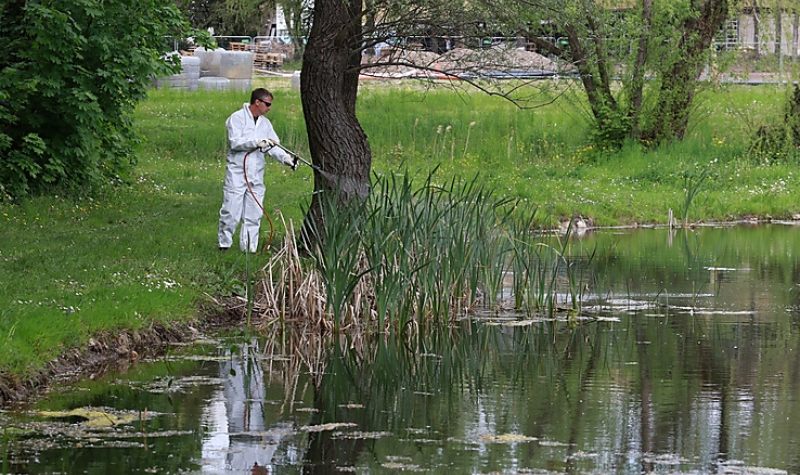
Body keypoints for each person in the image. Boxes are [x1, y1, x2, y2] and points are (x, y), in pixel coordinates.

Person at [218, 88, 297, 252]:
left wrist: (286, 159)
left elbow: (273, 146)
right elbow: (235, 142)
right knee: (231, 212)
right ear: (257, 102)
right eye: (267, 104)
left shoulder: (265, 124)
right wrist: (255, 142)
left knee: (254, 215)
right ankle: (224, 245)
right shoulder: (237, 118)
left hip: (256, 175)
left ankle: (249, 249)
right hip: (237, 174)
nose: (269, 108)